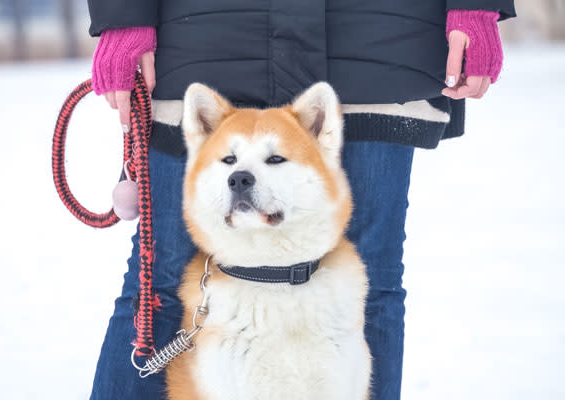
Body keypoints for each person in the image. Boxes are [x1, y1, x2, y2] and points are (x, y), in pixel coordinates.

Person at [86, 1, 516, 399]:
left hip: (377, 39)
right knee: (157, 280)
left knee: (374, 281)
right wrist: (123, 11)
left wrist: (474, 3)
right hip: (204, 33)